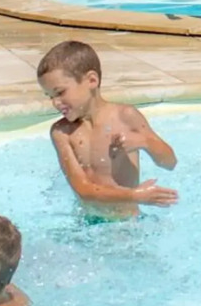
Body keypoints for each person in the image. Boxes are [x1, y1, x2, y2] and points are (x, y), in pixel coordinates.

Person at [37, 40, 177, 217]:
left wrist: (145, 142)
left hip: (126, 224)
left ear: (92, 80)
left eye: (60, 92)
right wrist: (135, 195)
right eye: (50, 96)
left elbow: (170, 163)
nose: (55, 102)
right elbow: (83, 190)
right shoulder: (61, 132)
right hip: (86, 222)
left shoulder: (125, 116)